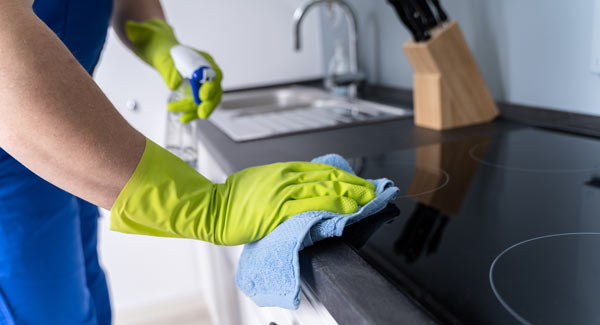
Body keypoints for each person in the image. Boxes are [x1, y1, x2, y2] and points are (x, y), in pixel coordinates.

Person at [0, 0, 376, 323]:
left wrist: (162, 43)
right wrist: (204, 205)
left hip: (65, 142)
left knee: (90, 301)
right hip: (15, 162)